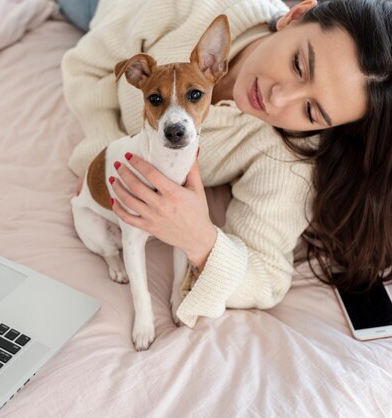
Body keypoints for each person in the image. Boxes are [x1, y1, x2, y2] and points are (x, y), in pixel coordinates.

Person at [59, 0, 392, 328]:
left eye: (311, 111)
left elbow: (267, 277)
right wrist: (101, 154)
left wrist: (200, 240)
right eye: (299, 65)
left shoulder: (287, 154)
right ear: (295, 16)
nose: (278, 97)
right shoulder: (191, 7)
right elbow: (86, 65)